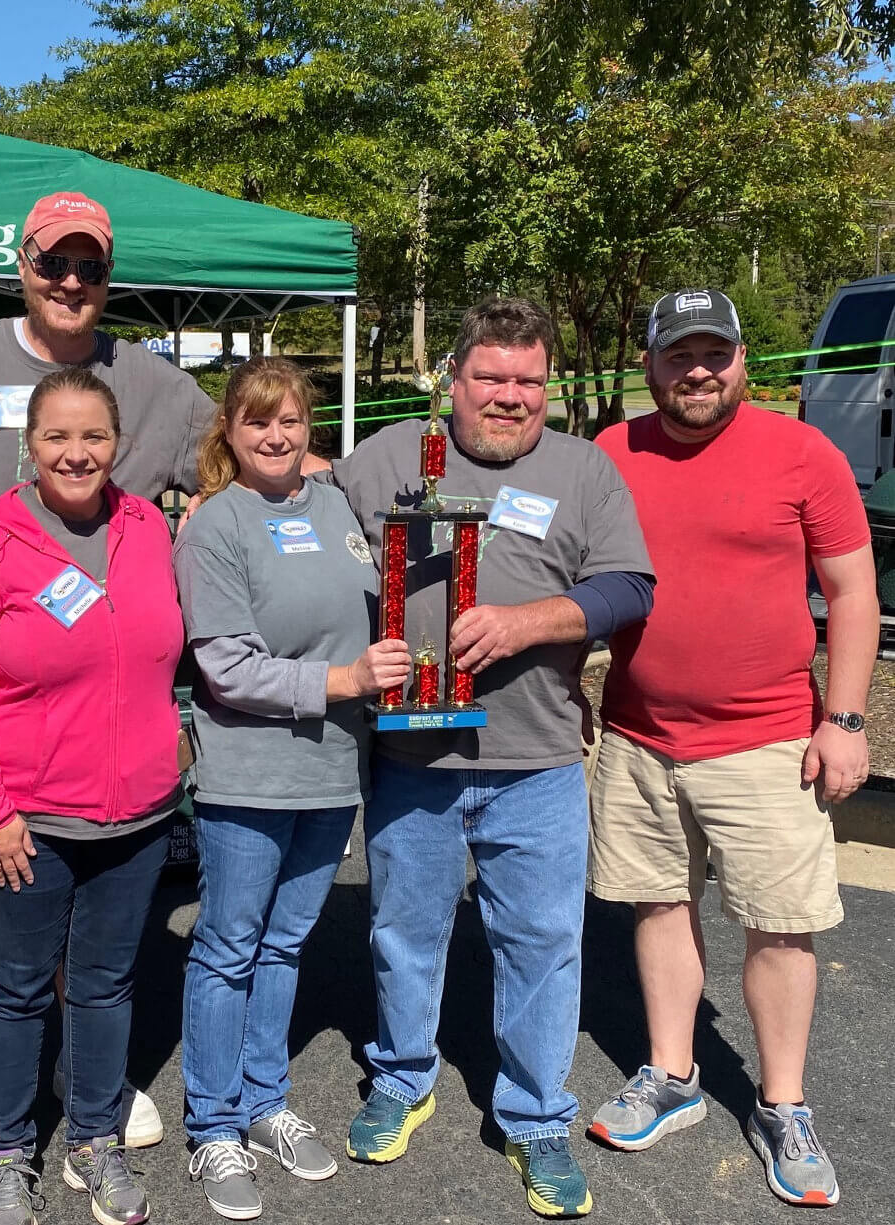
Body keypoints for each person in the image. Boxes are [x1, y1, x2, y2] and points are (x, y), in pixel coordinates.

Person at [0, 191, 217, 1180]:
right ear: (21, 263)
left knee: (101, 964)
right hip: (2, 706)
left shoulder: (148, 401)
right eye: (53, 263)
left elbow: (231, 450)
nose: (70, 282)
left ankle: (89, 1103)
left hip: (119, 770)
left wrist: (302, 472)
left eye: (89, 267)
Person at [328, 297, 655, 1218]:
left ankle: (537, 1114)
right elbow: (310, 522)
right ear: (453, 381)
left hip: (538, 756)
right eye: (491, 378)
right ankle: (402, 1074)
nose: (510, 397)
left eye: (528, 381)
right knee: (404, 931)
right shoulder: (390, 457)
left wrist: (524, 623)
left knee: (544, 944)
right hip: (412, 759)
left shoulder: (584, 467)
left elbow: (629, 587)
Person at [587, 289, 877, 1209]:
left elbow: (853, 592)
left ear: (744, 360)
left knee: (779, 924)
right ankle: (672, 1076)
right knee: (658, 902)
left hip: (769, 740)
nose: (699, 371)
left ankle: (783, 1102)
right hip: (639, 734)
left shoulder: (803, 451)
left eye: (715, 353)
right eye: (680, 355)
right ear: (650, 365)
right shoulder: (611, 453)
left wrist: (846, 719)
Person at [0, 367, 184, 1225]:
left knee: (107, 984)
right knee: (17, 987)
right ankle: (5, 1152)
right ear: (28, 446)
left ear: (120, 445)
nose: (77, 453)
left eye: (94, 437)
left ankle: (95, 1139)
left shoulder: (146, 526)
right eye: (57, 437)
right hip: (26, 820)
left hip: (137, 816)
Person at [173, 358, 410, 1221]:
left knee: (283, 945)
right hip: (251, 772)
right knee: (230, 946)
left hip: (332, 770)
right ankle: (213, 1126)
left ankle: (266, 1101)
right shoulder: (216, 526)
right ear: (229, 433)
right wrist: (344, 680)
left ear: (312, 428)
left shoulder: (339, 508)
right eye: (257, 422)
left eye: (291, 422)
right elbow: (225, 667)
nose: (275, 437)